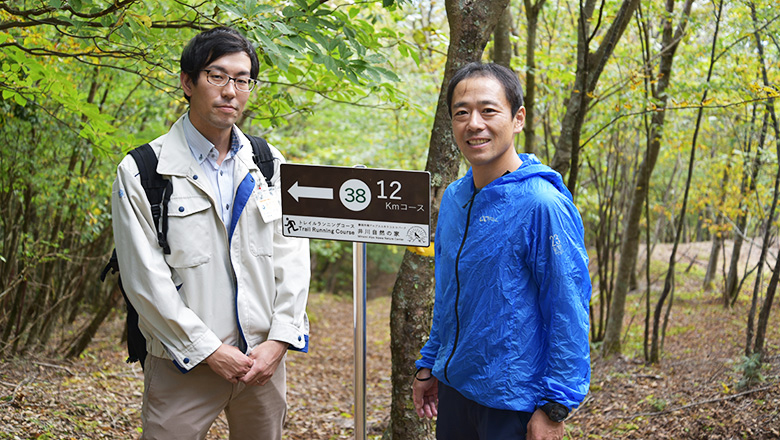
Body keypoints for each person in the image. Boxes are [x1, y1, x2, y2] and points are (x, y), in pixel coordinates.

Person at [111, 26, 310, 439]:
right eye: (217, 76)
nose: (230, 91)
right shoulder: (145, 170)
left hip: (262, 364)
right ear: (187, 82)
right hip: (183, 364)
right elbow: (144, 280)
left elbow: (292, 256)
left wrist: (279, 341)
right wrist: (210, 350)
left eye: (242, 80)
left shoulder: (268, 163)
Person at [412, 62, 591, 440]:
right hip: (456, 389)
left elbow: (568, 308)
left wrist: (555, 407)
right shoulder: (455, 199)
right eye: (461, 113)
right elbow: (448, 294)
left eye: (488, 110)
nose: (474, 123)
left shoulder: (542, 205)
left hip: (514, 402)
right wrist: (430, 364)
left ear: (518, 118)